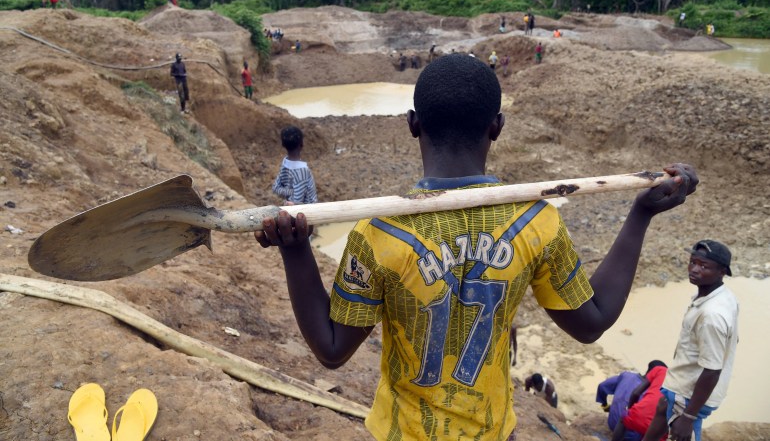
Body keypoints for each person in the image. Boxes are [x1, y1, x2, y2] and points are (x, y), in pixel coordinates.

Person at [254, 54, 698, 441]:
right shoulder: (536, 221)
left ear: (413, 125)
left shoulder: (379, 232)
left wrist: (295, 253)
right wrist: (640, 216)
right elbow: (591, 321)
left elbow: (332, 349)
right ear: (497, 127)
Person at [642, 240, 738, 441]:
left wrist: (688, 416)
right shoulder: (722, 296)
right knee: (662, 407)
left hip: (688, 396)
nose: (694, 269)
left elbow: (712, 370)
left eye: (704, 266)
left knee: (681, 434)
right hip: (681, 384)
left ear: (722, 271)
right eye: (693, 262)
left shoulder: (712, 315)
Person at [609, 361, 668, 441]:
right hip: (661, 427)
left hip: (639, 416)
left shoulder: (660, 370)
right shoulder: (687, 386)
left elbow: (636, 393)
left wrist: (630, 409)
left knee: (623, 420)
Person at [271, 126, 318, 205]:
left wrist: (290, 191)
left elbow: (276, 188)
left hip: (291, 206)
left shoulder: (285, 164)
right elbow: (296, 202)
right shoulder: (303, 171)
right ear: (301, 145)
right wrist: (293, 193)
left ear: (283, 144)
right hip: (306, 212)